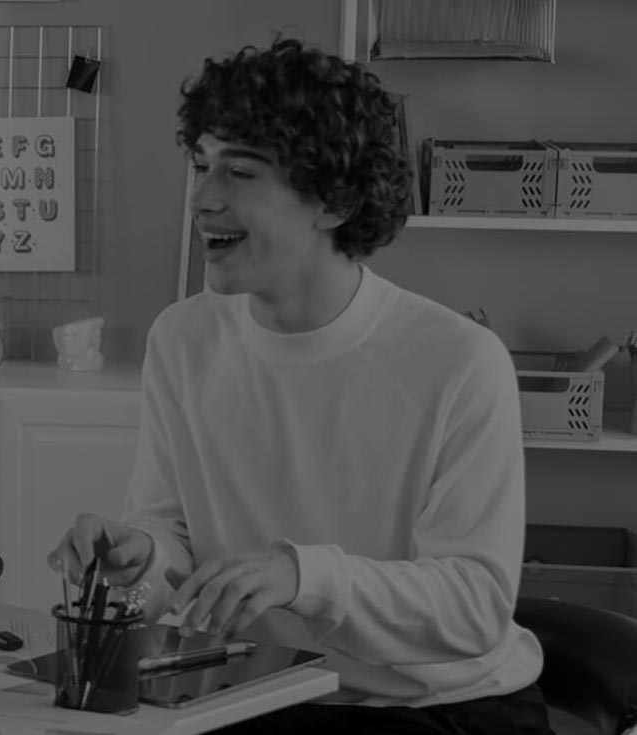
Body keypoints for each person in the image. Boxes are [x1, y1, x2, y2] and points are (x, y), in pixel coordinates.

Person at [48, 38, 550, 734]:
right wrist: (140, 558)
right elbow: (171, 532)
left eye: (239, 172)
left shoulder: (460, 361)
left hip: (442, 706)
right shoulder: (183, 339)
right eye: (201, 165)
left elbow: (474, 606)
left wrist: (304, 576)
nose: (202, 199)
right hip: (256, 689)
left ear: (334, 200)